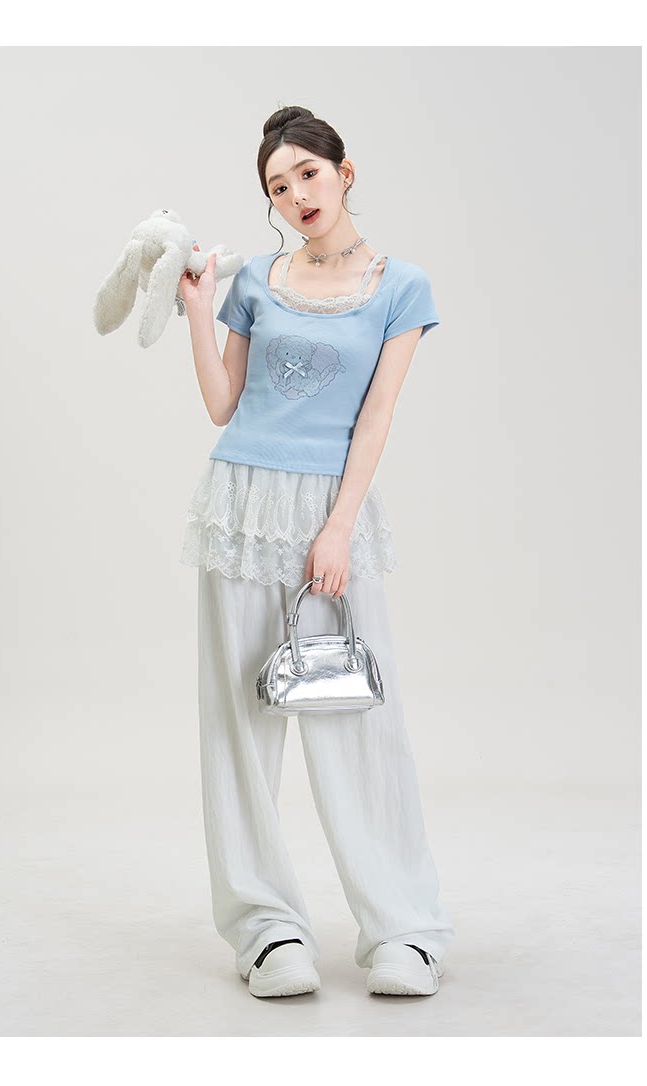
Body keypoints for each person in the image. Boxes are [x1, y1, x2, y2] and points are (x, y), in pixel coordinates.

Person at [178, 105, 455, 999]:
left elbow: (377, 417)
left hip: (329, 512)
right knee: (238, 721)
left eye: (308, 173)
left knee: (357, 719)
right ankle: (265, 930)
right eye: (278, 185)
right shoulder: (256, 281)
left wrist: (338, 526)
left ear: (344, 172)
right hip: (241, 503)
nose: (296, 193)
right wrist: (198, 310)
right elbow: (223, 403)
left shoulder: (400, 286)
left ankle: (403, 927)